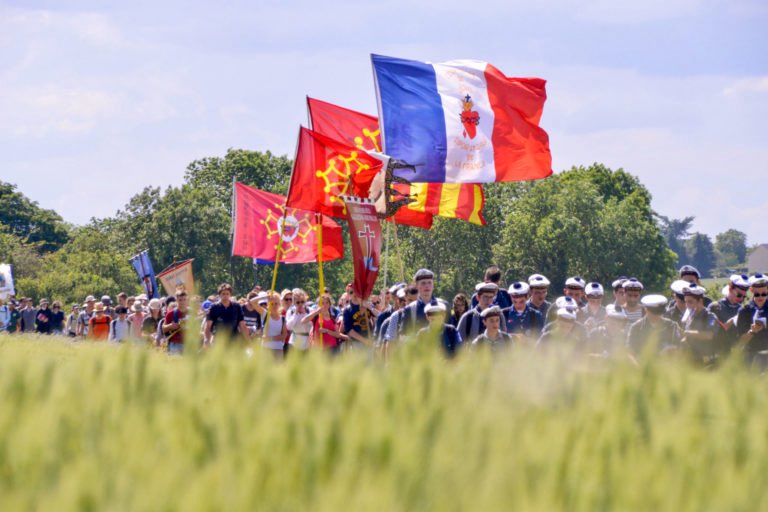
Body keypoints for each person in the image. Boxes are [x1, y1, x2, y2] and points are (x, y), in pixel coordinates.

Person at [626, 294, 681, 362]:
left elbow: (679, 347)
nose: (657, 316)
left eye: (659, 313)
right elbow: (630, 351)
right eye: (654, 313)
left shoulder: (671, 326)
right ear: (646, 309)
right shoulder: (636, 327)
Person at [680, 283, 720, 365]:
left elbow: (709, 335)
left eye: (690, 302)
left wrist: (689, 333)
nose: (687, 305)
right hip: (691, 359)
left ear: (700, 301)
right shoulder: (688, 317)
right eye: (686, 302)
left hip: (707, 361)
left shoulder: (710, 316)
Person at [707, 274, 749, 351]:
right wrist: (733, 319)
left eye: (744, 296)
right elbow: (711, 332)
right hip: (718, 352)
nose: (741, 299)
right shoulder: (715, 307)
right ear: (730, 289)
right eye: (739, 295)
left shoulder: (743, 309)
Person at [734, 273, 768, 369]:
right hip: (752, 356)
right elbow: (740, 340)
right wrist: (752, 332)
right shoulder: (745, 311)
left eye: (764, 293)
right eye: (757, 294)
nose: (760, 297)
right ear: (751, 290)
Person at [398, 268, 440, 337]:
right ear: (417, 286)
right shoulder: (410, 309)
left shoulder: (443, 306)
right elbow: (404, 338)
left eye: (429, 282)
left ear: (433, 285)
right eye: (423, 283)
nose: (427, 286)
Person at [262, 292, 288, 358]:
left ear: (279, 304)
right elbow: (253, 302)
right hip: (265, 349)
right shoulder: (265, 315)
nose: (274, 306)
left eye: (276, 303)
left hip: (278, 349)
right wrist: (264, 297)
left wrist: (270, 338)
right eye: (272, 304)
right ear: (268, 305)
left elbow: (284, 335)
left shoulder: (283, 318)